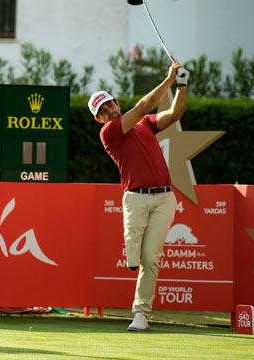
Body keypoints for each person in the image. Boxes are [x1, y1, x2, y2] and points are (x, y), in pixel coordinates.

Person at [88, 62, 189, 331]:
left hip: (164, 198)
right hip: (134, 197)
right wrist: (168, 79)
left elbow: (175, 113)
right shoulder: (109, 132)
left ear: (116, 103)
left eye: (110, 104)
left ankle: (141, 314)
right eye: (103, 110)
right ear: (99, 118)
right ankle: (131, 258)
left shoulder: (145, 124)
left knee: (150, 258)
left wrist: (181, 84)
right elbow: (145, 104)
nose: (109, 110)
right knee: (135, 252)